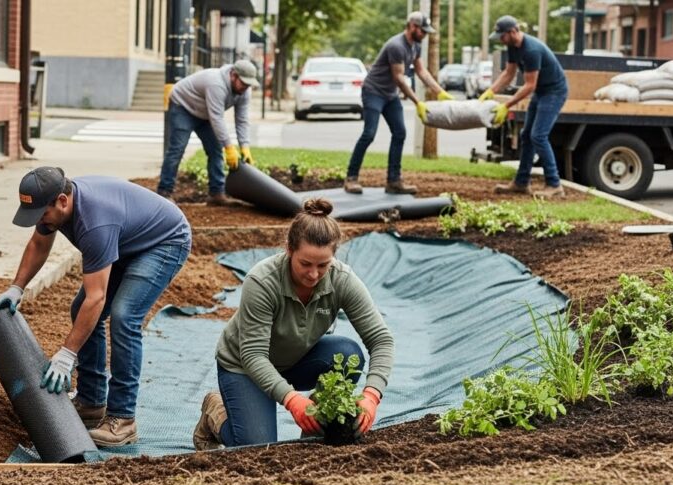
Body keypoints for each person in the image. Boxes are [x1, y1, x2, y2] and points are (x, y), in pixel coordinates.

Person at [0, 167, 191, 447]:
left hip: (163, 242)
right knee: (80, 311)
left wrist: (67, 355)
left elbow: (96, 298)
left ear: (62, 201)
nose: (39, 221)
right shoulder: (53, 206)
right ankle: (91, 401)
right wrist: (17, 287)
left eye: (41, 214)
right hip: (125, 240)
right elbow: (39, 244)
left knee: (124, 316)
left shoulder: (95, 224)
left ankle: (123, 419)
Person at [193, 198, 395, 449]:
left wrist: (372, 395)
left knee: (346, 354)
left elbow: (381, 340)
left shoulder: (341, 279)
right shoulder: (263, 281)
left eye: (323, 265)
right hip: (245, 366)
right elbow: (253, 355)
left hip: (296, 359)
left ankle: (313, 433)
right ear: (289, 249)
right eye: (305, 264)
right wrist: (292, 400)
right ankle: (214, 412)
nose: (313, 274)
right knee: (256, 447)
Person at [344, 11, 453, 195]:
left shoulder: (416, 45)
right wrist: (418, 102)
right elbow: (399, 79)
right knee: (369, 134)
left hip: (390, 95)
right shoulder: (396, 46)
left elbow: (421, 71)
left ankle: (394, 181)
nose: (425, 35)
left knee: (400, 132)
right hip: (374, 92)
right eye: (423, 31)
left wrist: (440, 92)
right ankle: (351, 178)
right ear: (412, 26)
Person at [479, 16, 568, 198]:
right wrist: (491, 90)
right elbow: (509, 73)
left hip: (554, 92)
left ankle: (554, 184)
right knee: (526, 135)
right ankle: (521, 182)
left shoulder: (531, 50)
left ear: (513, 32)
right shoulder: (513, 46)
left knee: (538, 136)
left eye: (502, 36)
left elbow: (529, 85)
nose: (501, 40)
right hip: (541, 92)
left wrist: (506, 106)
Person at [156, 59, 259, 206]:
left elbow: (241, 120)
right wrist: (229, 147)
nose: (246, 87)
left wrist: (244, 146)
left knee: (215, 150)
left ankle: (216, 194)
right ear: (233, 75)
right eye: (243, 83)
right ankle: (164, 192)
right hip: (183, 107)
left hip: (205, 113)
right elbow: (217, 118)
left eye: (249, 84)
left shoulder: (244, 91)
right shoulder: (216, 83)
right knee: (177, 149)